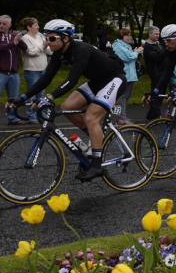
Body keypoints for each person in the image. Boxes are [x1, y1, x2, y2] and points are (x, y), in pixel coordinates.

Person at [9, 19, 125, 180]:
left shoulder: (81, 49)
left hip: (114, 79)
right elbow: (46, 78)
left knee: (91, 117)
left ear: (66, 38)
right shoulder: (59, 53)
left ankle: (97, 165)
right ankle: (95, 138)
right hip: (97, 82)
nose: (48, 43)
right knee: (66, 107)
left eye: (52, 39)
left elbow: (72, 80)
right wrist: (22, 97)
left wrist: (50, 97)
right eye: (46, 38)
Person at [0, 14, 26, 127]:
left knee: (13, 98)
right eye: (0, 23)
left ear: (10, 25)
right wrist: (13, 43)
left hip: (13, 72)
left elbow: (25, 48)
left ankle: (12, 118)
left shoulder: (13, 35)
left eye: (4, 24)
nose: (1, 26)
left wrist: (19, 39)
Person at [19, 17, 50, 123]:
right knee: (31, 94)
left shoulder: (40, 36)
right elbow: (31, 52)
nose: (38, 27)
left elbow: (49, 52)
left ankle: (41, 114)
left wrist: (47, 46)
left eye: (37, 25)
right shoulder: (25, 38)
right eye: (35, 25)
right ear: (29, 27)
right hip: (32, 70)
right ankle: (31, 116)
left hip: (43, 69)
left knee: (41, 95)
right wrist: (43, 46)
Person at [112, 27, 143, 124]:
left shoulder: (126, 46)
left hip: (130, 75)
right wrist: (136, 52)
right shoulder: (117, 46)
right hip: (124, 75)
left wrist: (135, 52)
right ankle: (121, 118)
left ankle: (120, 116)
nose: (129, 37)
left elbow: (131, 56)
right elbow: (128, 57)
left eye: (130, 35)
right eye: (127, 35)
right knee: (123, 97)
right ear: (122, 36)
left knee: (127, 96)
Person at [141, 26, 167, 120]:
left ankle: (152, 116)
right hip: (155, 74)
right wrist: (166, 49)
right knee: (156, 95)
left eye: (158, 34)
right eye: (156, 34)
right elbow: (157, 57)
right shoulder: (147, 46)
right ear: (150, 34)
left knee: (160, 95)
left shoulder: (158, 44)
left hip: (162, 73)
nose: (158, 35)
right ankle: (154, 117)